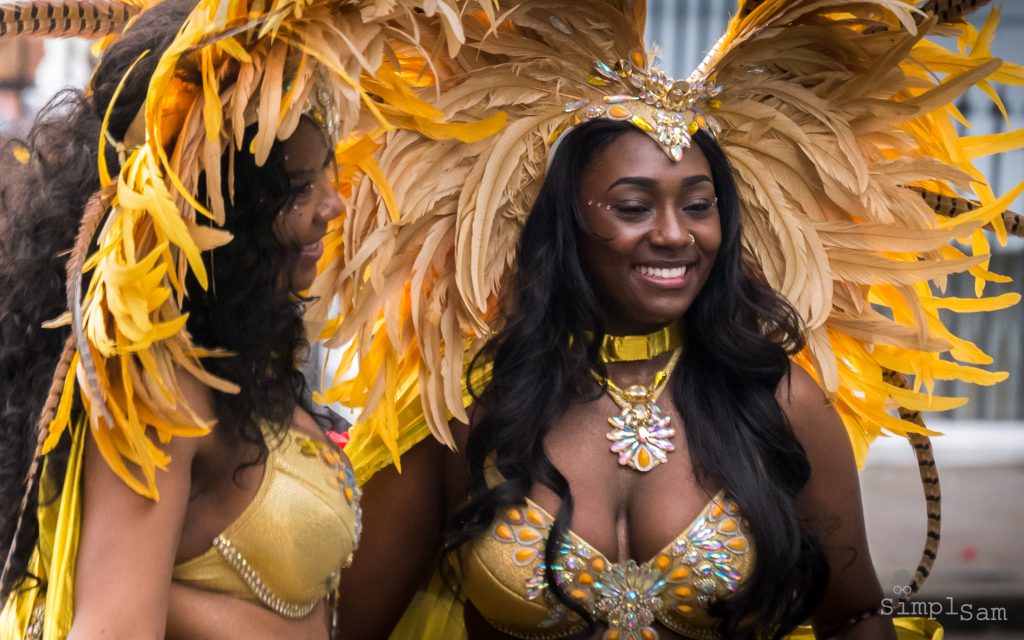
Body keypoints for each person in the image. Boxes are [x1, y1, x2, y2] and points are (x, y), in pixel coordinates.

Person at [321, 1, 1022, 638]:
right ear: (565, 228)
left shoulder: (780, 403)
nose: (674, 234)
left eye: (697, 204)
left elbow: (858, 615)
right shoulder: (464, 410)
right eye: (633, 207)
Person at [0, 0, 495, 636]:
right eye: (295, 189)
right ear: (217, 210)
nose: (333, 205)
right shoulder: (163, 388)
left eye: (328, 172)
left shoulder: (248, 362)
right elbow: (114, 623)